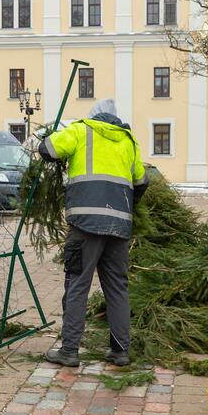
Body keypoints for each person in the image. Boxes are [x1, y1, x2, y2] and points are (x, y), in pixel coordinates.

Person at [39, 98, 148, 367]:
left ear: (93, 115)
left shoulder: (81, 130)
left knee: (77, 284)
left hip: (85, 224)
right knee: (117, 288)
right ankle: (120, 351)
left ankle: (69, 351)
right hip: (119, 226)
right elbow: (141, 182)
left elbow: (47, 149)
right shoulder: (128, 141)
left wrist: (52, 137)